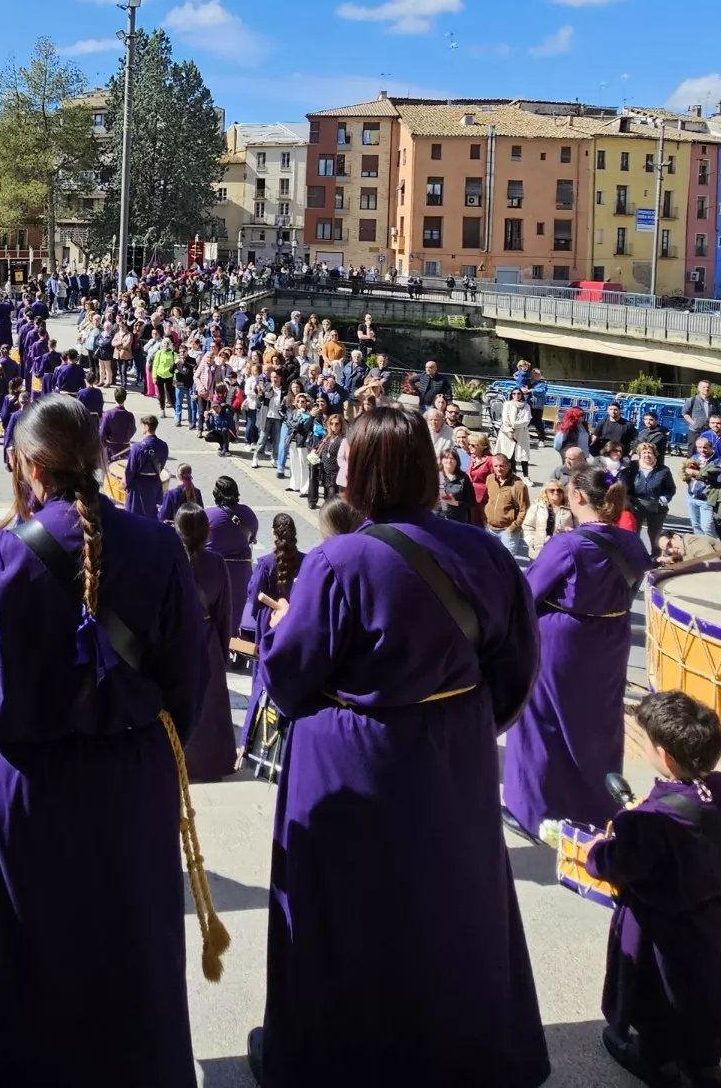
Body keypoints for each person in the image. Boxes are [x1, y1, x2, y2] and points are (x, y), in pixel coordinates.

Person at [250, 404, 546, 1088]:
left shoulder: (339, 560)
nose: (340, 464)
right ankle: (460, 1045)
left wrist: (280, 627)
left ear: (371, 471)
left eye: (349, 456)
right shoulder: (485, 552)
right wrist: (465, 720)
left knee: (348, 910)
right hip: (454, 751)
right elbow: (517, 666)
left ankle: (335, 1054)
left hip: (353, 758)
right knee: (453, 898)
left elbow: (289, 679)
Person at [0, 395, 213, 1087]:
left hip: (20, 784)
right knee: (126, 955)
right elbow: (188, 679)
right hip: (127, 776)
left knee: (13, 963)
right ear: (100, 456)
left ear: (31, 467)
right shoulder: (158, 544)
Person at [584, 691, 721, 1088]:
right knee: (708, 993)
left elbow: (614, 863)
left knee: (657, 995)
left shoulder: (646, 822)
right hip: (717, 916)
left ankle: (656, 1060)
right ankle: (705, 1065)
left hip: (660, 928)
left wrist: (596, 851)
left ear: (665, 756)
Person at [502, 466, 651, 839]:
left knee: (541, 722)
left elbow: (526, 593)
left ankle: (532, 812)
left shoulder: (567, 544)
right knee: (599, 725)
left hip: (562, 644)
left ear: (579, 497)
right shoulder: (633, 543)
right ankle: (599, 807)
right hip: (612, 638)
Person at [174, 502, 238, 783]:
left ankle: (178, 761)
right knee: (211, 706)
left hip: (177, 637)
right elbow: (225, 609)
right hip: (208, 636)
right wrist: (223, 647)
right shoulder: (217, 561)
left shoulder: (170, 558)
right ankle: (212, 763)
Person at [240, 513, 304, 774]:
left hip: (268, 629)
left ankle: (249, 740)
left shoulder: (266, 563)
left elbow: (253, 598)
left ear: (275, 535)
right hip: (294, 628)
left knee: (260, 682)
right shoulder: (307, 560)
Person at [206, 475, 260, 631]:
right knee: (237, 613)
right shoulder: (248, 513)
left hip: (215, 571)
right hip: (242, 573)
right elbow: (252, 538)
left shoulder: (208, 515)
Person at [627, 441, 677, 552]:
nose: (647, 455)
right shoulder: (632, 467)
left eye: (650, 453)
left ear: (655, 455)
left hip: (657, 507)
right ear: (640, 454)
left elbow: (671, 489)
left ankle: (656, 556)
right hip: (636, 505)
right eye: (644, 452)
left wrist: (664, 498)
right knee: (634, 533)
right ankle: (635, 555)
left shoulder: (663, 470)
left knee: (655, 534)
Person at [482, 451, 530, 559]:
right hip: (490, 529)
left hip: (508, 531)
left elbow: (524, 509)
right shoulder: (490, 479)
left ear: (509, 466)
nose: (499, 469)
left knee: (506, 561)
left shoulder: (518, 485)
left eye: (502, 466)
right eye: (496, 466)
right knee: (491, 559)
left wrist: (513, 527)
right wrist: (485, 517)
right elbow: (486, 500)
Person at [520, 480, 574, 559]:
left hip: (561, 551)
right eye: (552, 490)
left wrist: (570, 532)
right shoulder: (537, 507)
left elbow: (578, 527)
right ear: (546, 492)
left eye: (559, 490)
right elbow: (527, 526)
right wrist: (532, 542)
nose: (556, 492)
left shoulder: (570, 509)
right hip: (538, 551)